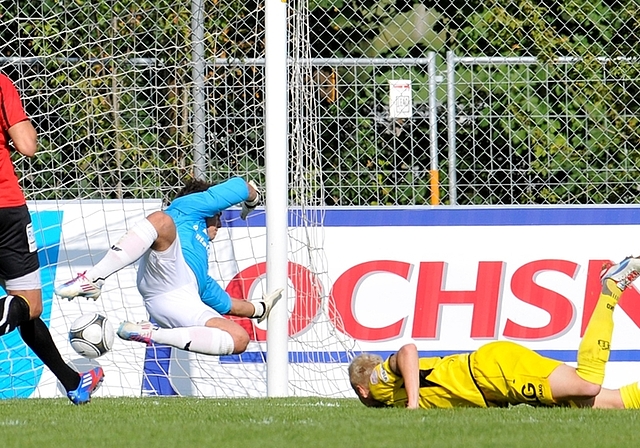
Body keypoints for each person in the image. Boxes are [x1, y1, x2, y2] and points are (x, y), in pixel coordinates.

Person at [349, 255, 640, 409]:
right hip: (494, 384)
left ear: (361, 390)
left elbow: (407, 351)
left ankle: (610, 289)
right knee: (607, 404)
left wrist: (413, 404)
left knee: (587, 384)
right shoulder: (389, 400)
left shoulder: (377, 386)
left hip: (492, 372)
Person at [55, 177, 283, 357]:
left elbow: (226, 304)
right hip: (166, 274)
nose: (221, 223)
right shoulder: (188, 206)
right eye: (219, 215)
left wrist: (261, 308)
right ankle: (93, 279)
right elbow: (241, 186)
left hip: (178, 299)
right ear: (209, 208)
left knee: (239, 339)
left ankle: (151, 333)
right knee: (162, 221)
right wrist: (253, 199)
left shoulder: (200, 274)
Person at [0, 72, 103, 405]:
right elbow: (28, 146)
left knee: (27, 310)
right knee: (28, 306)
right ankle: (5, 312)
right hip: (5, 209)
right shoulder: (1, 82)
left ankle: (72, 381)